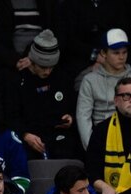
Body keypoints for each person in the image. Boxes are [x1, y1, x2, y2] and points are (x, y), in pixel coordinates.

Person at [6, 29, 80, 161]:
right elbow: (10, 116)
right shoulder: (18, 81)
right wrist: (25, 134)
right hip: (30, 137)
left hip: (58, 136)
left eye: (51, 67)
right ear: (32, 62)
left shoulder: (62, 77)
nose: (48, 71)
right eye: (43, 67)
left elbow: (74, 106)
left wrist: (71, 118)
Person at [76, 29, 131, 151]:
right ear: (103, 53)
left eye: (124, 52)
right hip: (103, 138)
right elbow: (83, 117)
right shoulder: (90, 80)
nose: (121, 57)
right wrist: (92, 150)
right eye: (116, 53)